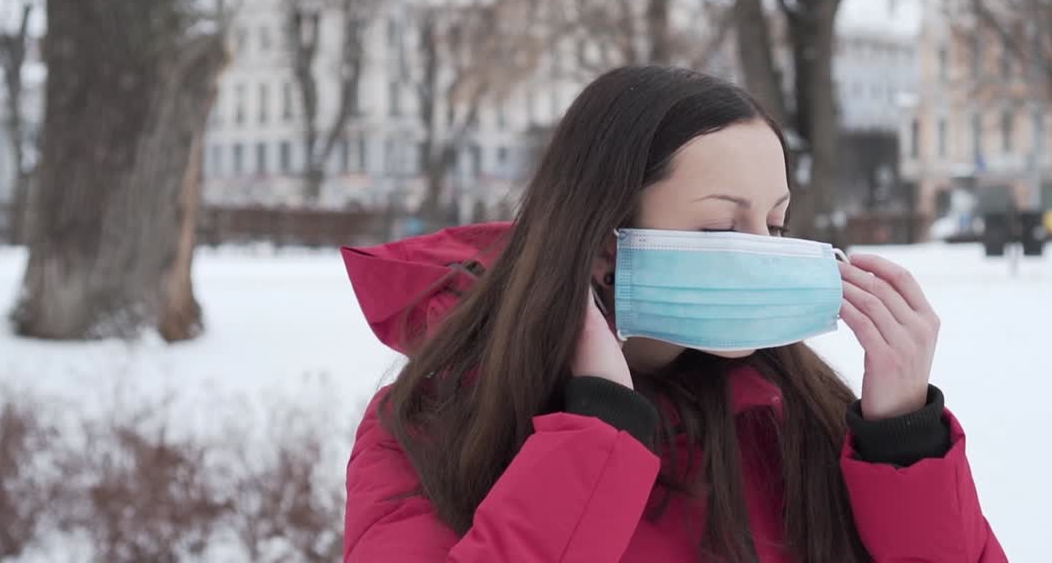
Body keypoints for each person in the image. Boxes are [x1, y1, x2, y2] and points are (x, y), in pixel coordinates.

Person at [343, 66, 1006, 562]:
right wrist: (597, 436)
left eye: (774, 225)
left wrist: (903, 441)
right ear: (603, 245)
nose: (762, 257)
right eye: (722, 228)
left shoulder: (800, 419)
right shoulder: (432, 427)